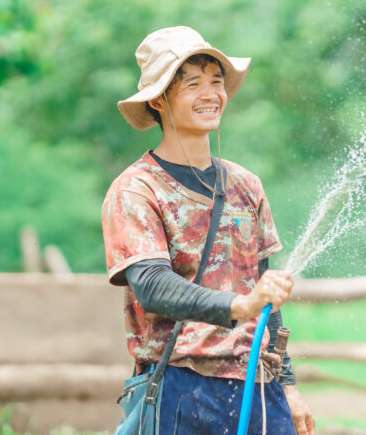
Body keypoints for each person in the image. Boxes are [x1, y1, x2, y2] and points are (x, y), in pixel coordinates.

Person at [102, 26, 315, 434]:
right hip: (183, 390)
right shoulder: (136, 189)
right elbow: (152, 286)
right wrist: (240, 305)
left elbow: (267, 298)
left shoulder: (245, 186)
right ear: (160, 100)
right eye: (193, 84)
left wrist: (288, 386)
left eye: (217, 82)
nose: (211, 94)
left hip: (259, 387)